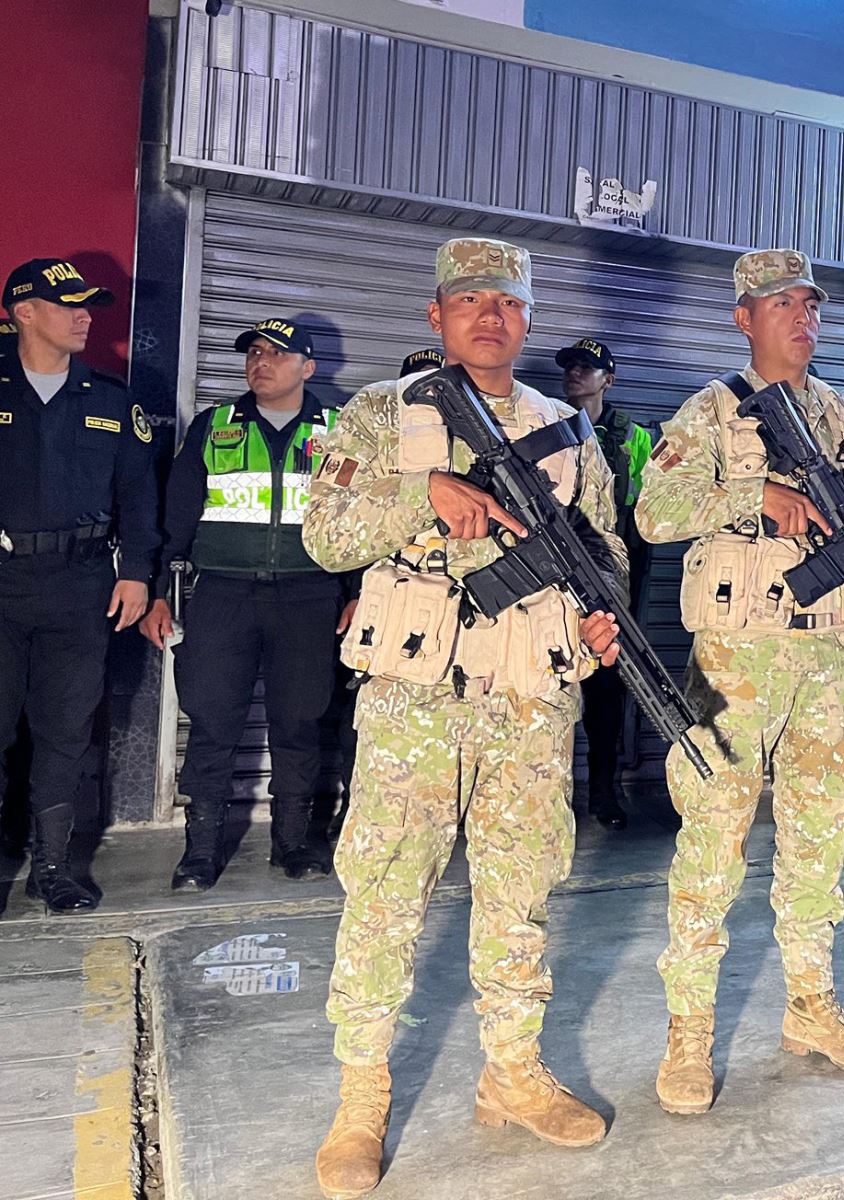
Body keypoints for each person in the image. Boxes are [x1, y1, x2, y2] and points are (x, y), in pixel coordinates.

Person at [305, 238, 625, 1198]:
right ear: (436, 315)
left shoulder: (568, 429)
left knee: (521, 890)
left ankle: (511, 1073)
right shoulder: (380, 413)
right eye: (471, 299)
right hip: (416, 697)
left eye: (509, 301)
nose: (491, 314)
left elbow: (605, 548)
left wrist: (600, 621)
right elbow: (326, 536)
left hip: (529, 696)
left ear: (529, 320)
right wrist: (424, 492)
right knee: (386, 893)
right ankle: (361, 1099)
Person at [637, 248, 844, 1116]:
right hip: (737, 657)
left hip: (828, 656)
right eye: (783, 304)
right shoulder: (710, 410)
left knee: (819, 838)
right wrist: (753, 496)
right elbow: (654, 513)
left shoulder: (837, 411)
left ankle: (810, 1007)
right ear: (744, 318)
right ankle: (689, 1031)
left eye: (812, 305)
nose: (804, 318)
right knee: (714, 840)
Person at [139, 318, 356, 891]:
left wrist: (358, 593)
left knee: (300, 722)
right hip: (222, 594)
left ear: (309, 368)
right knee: (212, 721)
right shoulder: (215, 425)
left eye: (277, 354)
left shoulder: (340, 430)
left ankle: (293, 843)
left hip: (310, 596)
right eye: (254, 352)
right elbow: (177, 515)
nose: (261, 362)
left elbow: (362, 520)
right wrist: (159, 591)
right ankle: (200, 852)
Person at [0, 259, 156, 914]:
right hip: (3, 586)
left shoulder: (112, 400)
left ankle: (53, 870)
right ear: (24, 311)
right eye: (68, 305)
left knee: (66, 733)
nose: (85, 316)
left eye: (87, 304)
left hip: (80, 587)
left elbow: (139, 496)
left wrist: (137, 573)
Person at [558, 337, 653, 828]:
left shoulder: (634, 438)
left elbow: (647, 515)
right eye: (570, 366)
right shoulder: (545, 424)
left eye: (587, 367)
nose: (575, 373)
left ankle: (603, 792)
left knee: (607, 689)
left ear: (607, 380)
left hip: (612, 576)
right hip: (553, 572)